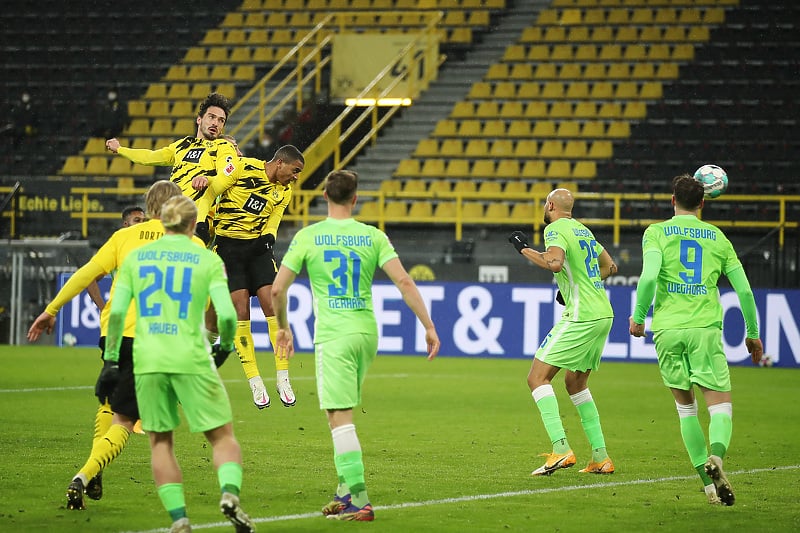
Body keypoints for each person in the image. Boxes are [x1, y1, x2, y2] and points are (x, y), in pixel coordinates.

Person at [271, 170, 440, 521]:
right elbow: (404, 281)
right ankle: (345, 491)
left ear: (324, 195)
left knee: (340, 416)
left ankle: (360, 500)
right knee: (339, 412)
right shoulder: (372, 236)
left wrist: (283, 329)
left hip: (334, 335)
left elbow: (276, 290)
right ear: (355, 198)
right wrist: (428, 325)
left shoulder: (309, 237)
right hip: (366, 333)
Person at [26, 181, 202, 511]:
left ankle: (95, 469)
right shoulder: (188, 242)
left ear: (149, 208)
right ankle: (85, 473)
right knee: (126, 420)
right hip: (156, 337)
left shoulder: (124, 237)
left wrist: (51, 310)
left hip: (115, 333)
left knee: (109, 403)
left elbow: (85, 273)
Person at [102, 194, 254, 533]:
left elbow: (115, 314)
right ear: (191, 224)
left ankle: (179, 519)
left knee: (160, 442)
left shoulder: (137, 258)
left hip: (148, 357)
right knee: (222, 437)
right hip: (191, 354)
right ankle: (229, 495)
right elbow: (227, 315)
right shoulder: (206, 259)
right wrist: (225, 348)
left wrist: (111, 362)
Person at [629, 174, 763, 506]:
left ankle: (708, 487)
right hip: (703, 329)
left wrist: (639, 315)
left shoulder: (656, 232)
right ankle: (716, 458)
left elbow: (648, 276)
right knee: (720, 407)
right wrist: (753, 334)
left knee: (686, 409)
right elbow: (744, 290)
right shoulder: (718, 237)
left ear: (672, 200)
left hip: (668, 329)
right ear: (703, 203)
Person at [507, 188, 618, 477]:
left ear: (551, 205)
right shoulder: (583, 231)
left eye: (546, 203)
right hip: (602, 313)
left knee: (537, 377)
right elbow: (609, 267)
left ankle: (560, 449)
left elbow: (553, 262)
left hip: (582, 315)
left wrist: (524, 249)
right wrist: (573, 286)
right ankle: (601, 457)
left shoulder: (555, 229)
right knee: (575, 383)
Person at [205, 137, 305, 409]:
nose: (295, 178)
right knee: (240, 313)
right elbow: (213, 189)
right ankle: (255, 381)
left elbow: (274, 218)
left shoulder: (284, 191)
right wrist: (204, 211)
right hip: (228, 249)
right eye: (294, 171)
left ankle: (283, 378)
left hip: (258, 249)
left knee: (273, 305)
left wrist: (270, 237)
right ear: (280, 162)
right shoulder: (242, 168)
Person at [105, 93, 240, 232]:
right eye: (211, 117)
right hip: (171, 217)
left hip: (197, 220)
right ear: (199, 119)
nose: (215, 123)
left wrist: (208, 179)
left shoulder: (223, 146)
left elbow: (228, 172)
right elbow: (150, 157)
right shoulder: (183, 145)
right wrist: (121, 149)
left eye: (221, 120)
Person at [86, 205, 146, 310]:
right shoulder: (116, 249)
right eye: (137, 220)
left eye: (143, 221)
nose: (141, 224)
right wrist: (103, 309)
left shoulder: (152, 247)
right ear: (126, 225)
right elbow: (90, 278)